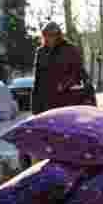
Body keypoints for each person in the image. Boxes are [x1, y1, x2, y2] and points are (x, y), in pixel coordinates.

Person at [25, 20, 89, 167]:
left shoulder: (70, 50)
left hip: (66, 100)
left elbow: (80, 74)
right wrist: (35, 107)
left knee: (66, 134)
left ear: (58, 36)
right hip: (46, 101)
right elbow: (37, 80)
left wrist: (65, 84)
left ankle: (69, 161)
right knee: (49, 136)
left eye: (51, 36)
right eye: (45, 36)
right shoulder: (40, 52)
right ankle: (51, 164)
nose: (48, 39)